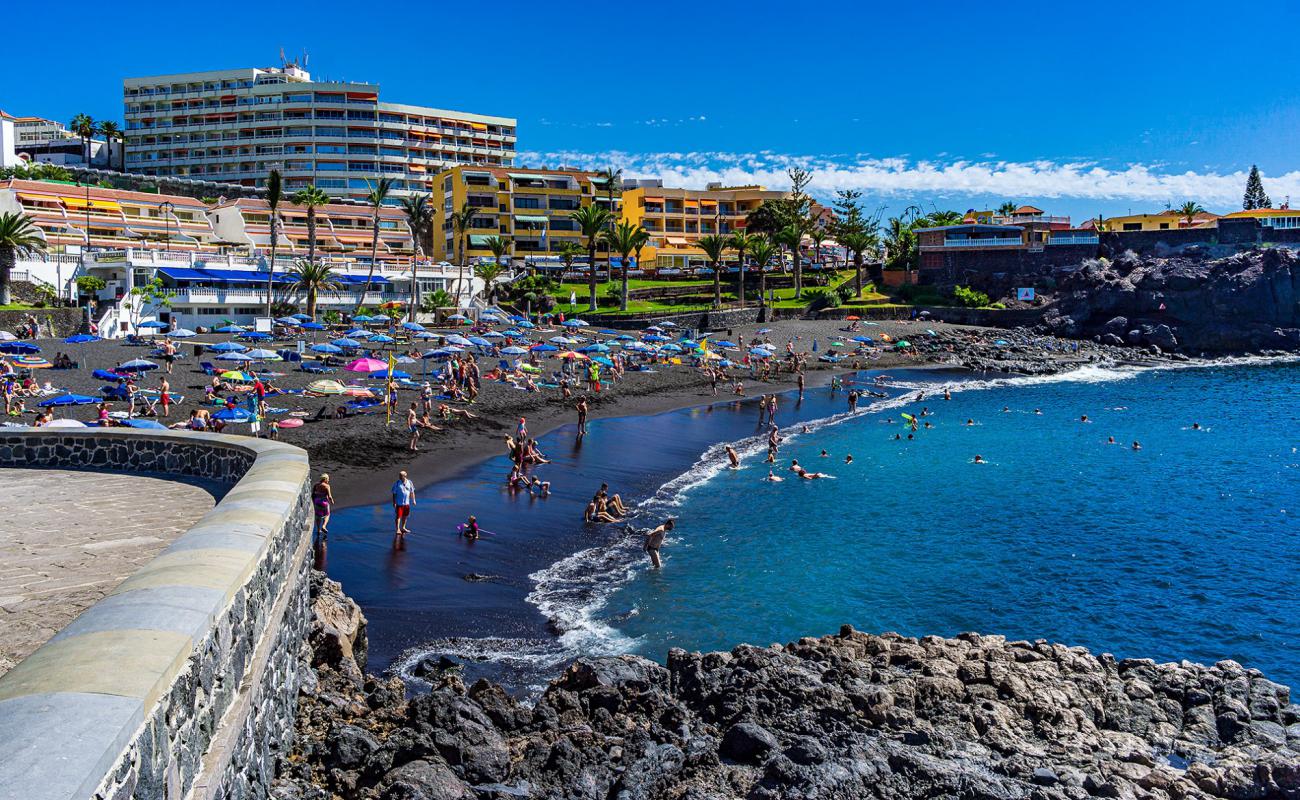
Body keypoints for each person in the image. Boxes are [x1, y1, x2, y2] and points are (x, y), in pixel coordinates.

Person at [391, 470, 415, 539]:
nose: (399, 477)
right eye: (399, 475)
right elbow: (394, 493)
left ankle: (403, 527)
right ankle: (398, 529)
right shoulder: (397, 483)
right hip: (399, 503)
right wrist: (394, 502)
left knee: (405, 515)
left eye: (401, 475)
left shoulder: (410, 482)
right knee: (398, 516)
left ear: (405, 476)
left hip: (407, 503)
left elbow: (412, 491)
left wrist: (413, 500)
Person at [312, 474, 333, 540]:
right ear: (325, 479)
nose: (328, 480)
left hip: (317, 501)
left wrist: (314, 501)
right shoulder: (327, 486)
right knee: (327, 514)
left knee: (318, 516)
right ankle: (324, 526)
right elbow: (329, 496)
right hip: (324, 502)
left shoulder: (316, 485)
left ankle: (318, 530)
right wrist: (332, 501)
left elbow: (313, 494)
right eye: (328, 479)